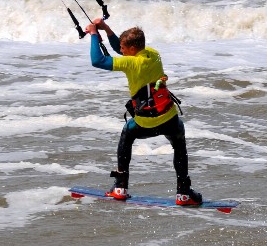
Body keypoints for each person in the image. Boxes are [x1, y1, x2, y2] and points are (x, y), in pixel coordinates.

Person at [83, 17, 203, 206]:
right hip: (169, 118)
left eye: (124, 49)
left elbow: (97, 61)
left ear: (132, 50)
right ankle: (184, 193)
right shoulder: (153, 55)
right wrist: (105, 28)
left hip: (145, 122)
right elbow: (117, 49)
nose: (120, 51)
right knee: (179, 145)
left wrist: (93, 34)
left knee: (127, 133)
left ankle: (120, 187)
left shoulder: (130, 64)